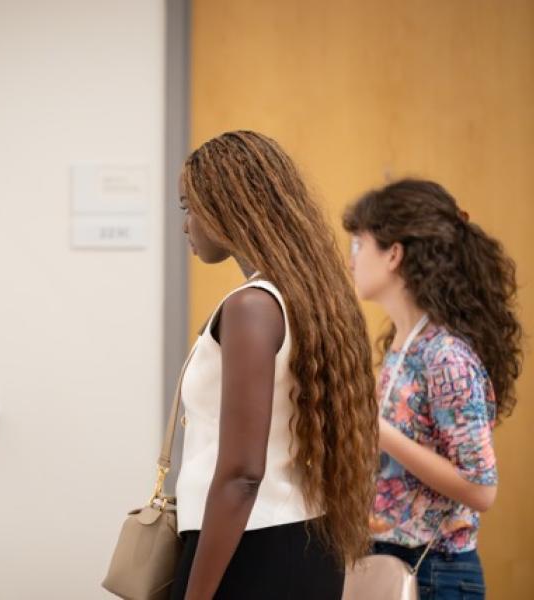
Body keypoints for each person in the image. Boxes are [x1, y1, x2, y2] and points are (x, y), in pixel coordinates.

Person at [171, 131, 378, 599]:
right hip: (305, 544)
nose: (185, 225)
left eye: (189, 207)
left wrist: (196, 594)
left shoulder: (251, 307)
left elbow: (242, 474)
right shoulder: (308, 298)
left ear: (228, 206)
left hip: (248, 553)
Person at [343, 179, 523, 599]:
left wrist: (381, 433)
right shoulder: (404, 345)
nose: (351, 261)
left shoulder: (445, 356)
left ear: (393, 254)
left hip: (435, 572)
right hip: (391, 556)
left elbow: (481, 489)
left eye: (358, 245)